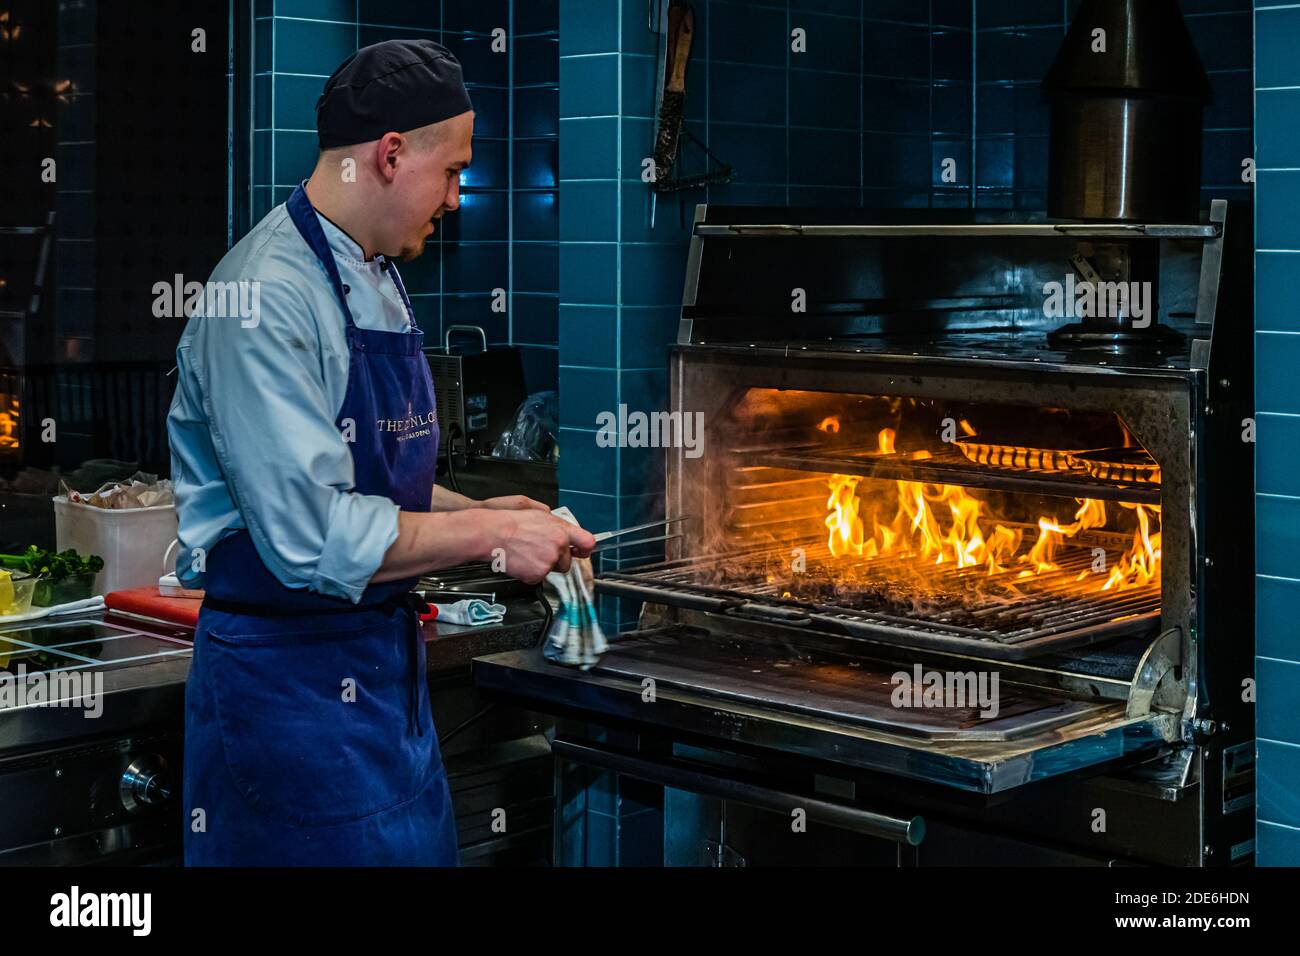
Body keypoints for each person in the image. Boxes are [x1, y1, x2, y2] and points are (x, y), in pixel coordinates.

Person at [166, 39, 594, 866]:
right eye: (453, 171)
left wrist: (491, 511)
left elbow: (375, 483)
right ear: (391, 156)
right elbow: (317, 536)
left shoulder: (375, 274)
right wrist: (493, 540)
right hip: (284, 694)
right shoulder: (262, 300)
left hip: (379, 682)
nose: (459, 198)